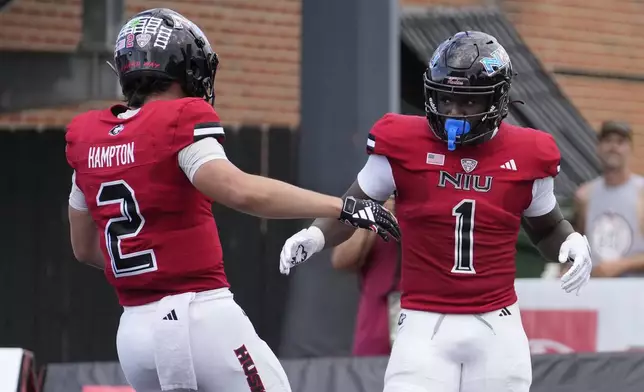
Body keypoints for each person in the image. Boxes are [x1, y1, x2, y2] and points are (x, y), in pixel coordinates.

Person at [65, 8, 399, 392]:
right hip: (199, 320)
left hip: (134, 334)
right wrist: (341, 206)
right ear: (185, 67)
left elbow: (84, 247)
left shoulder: (88, 138)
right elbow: (239, 190)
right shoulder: (178, 119)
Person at [279, 31, 592, 392]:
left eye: (468, 103)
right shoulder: (402, 143)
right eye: (445, 99)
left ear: (497, 99)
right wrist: (315, 235)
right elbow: (353, 208)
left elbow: (547, 228)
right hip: (422, 324)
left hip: (497, 325)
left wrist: (571, 241)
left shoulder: (528, 153)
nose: (453, 113)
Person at [331, 196, 401, 356]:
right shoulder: (374, 193)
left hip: (427, 319)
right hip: (377, 322)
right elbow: (340, 260)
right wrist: (373, 216)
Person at [573, 120, 644, 277]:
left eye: (620, 142)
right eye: (608, 141)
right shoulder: (585, 195)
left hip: (636, 293)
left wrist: (622, 265)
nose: (613, 147)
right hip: (596, 292)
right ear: (598, 148)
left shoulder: (641, 192)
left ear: (630, 149)